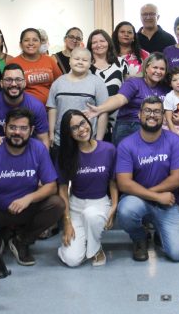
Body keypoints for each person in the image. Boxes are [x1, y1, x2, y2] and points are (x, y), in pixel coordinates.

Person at [0, 107, 64, 266]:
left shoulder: (38, 148)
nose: (17, 132)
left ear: (31, 130)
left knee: (57, 204)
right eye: (12, 127)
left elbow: (51, 186)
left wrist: (29, 198)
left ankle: (21, 240)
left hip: (25, 208)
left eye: (23, 128)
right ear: (5, 128)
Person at [115, 96, 179, 262]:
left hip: (168, 203)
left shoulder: (175, 141)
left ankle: (160, 233)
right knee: (126, 210)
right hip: (139, 202)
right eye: (147, 111)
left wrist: (151, 194)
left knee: (178, 254)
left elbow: (178, 179)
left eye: (157, 111)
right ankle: (139, 237)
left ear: (163, 116)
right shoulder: (126, 144)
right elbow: (124, 183)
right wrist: (156, 196)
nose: (152, 115)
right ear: (139, 114)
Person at [56, 110, 118, 267]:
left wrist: (114, 206)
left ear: (89, 121)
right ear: (68, 133)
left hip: (99, 203)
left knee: (91, 215)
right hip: (76, 206)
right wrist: (67, 222)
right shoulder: (65, 155)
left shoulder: (108, 149)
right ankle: (83, 241)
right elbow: (63, 190)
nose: (81, 129)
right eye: (74, 128)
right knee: (72, 260)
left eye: (82, 123)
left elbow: (113, 182)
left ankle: (95, 249)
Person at [85, 53, 169, 144]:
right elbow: (120, 99)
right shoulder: (134, 83)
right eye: (155, 67)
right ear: (146, 68)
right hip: (130, 124)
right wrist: (99, 109)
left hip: (155, 127)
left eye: (162, 69)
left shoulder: (166, 89)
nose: (158, 71)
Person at [47, 47, 109, 151]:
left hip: (87, 140)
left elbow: (103, 112)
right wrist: (51, 133)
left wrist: (99, 140)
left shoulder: (97, 83)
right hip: (61, 140)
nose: (80, 62)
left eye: (85, 60)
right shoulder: (58, 82)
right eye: (76, 59)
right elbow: (52, 108)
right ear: (70, 61)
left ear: (90, 63)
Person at [0, 63, 50, 148]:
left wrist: (44, 156)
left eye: (18, 80)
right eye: (8, 80)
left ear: (24, 83)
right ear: (1, 83)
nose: (14, 84)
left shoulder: (36, 105)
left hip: (28, 150)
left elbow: (43, 139)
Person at [87, 29, 126, 141]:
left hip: (117, 119)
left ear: (108, 42)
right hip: (91, 117)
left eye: (102, 41)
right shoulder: (85, 65)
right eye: (94, 42)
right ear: (90, 46)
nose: (98, 45)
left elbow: (128, 86)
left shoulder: (120, 63)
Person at [9, 28, 62, 105]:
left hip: (50, 107)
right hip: (23, 109)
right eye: (26, 40)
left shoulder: (49, 60)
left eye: (35, 40)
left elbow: (60, 83)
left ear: (40, 43)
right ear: (20, 44)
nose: (31, 43)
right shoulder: (13, 63)